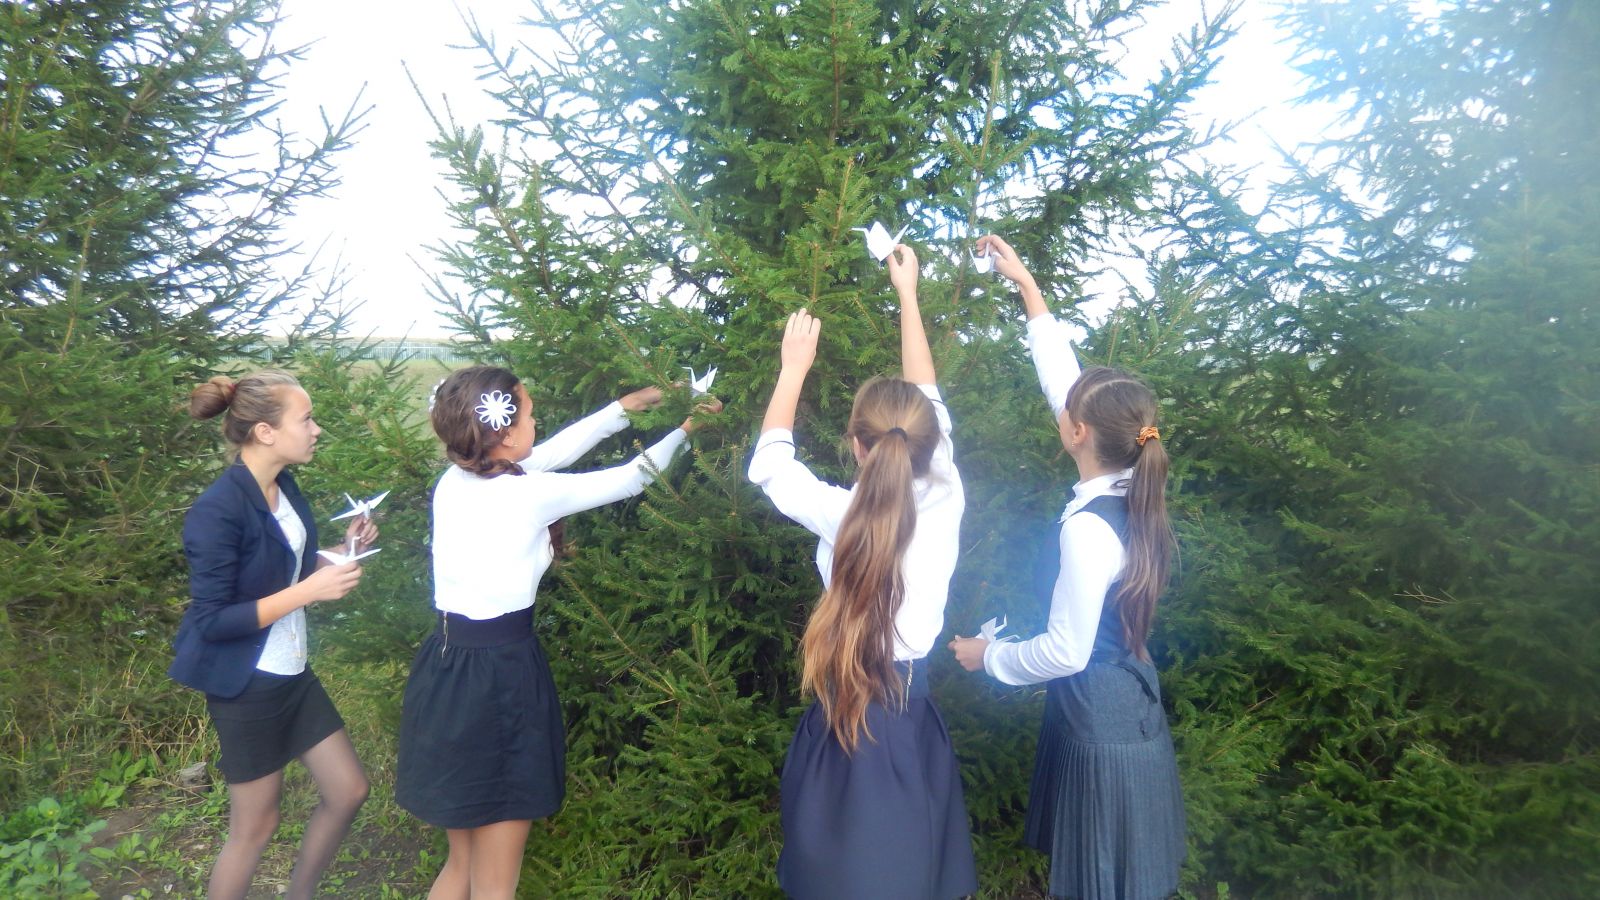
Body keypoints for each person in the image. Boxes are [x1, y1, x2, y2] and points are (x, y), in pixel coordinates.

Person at [396, 365, 718, 900]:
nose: (536, 421)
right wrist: (687, 430)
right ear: (503, 431)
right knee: (496, 885)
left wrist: (622, 409)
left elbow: (549, 454)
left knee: (462, 864)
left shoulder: (456, 481)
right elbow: (630, 478)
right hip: (500, 681)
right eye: (528, 413)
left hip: (447, 671)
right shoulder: (525, 495)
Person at [950, 235, 1186, 900]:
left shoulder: (1089, 529)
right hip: (1125, 707)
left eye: (1069, 413)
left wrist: (990, 656)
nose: (1061, 409)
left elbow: (1065, 651)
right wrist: (1028, 290)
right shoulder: (1135, 485)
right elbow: (1069, 385)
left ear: (1078, 433)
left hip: (1099, 720)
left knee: (1096, 885)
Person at [747, 244, 978, 900]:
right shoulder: (949, 489)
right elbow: (927, 398)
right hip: (911, 717)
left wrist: (794, 369)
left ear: (855, 444)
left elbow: (769, 466)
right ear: (928, 443)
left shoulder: (841, 513)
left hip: (846, 717)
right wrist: (908, 295)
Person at [170, 371, 375, 900]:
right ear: (265, 432)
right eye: (305, 419)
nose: (316, 429)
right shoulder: (217, 511)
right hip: (247, 685)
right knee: (255, 828)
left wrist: (344, 550)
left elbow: (287, 572)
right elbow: (213, 621)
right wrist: (310, 591)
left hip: (292, 672)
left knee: (348, 790)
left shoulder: (283, 488)